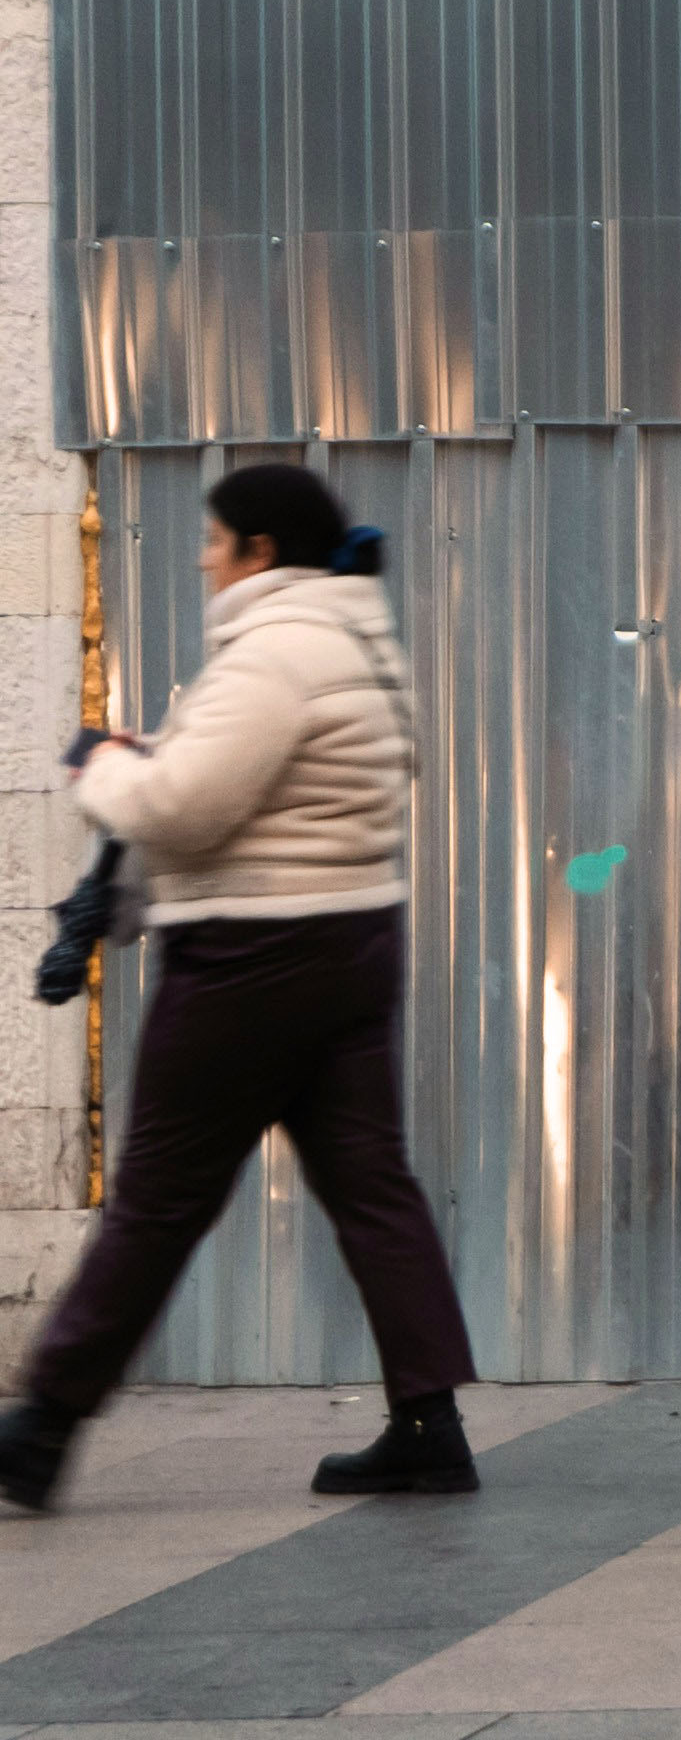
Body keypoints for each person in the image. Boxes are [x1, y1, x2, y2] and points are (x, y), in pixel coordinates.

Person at [0, 464, 482, 1511]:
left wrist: (99, 765)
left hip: (250, 959)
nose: (206, 561)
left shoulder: (276, 652)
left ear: (260, 550)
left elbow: (180, 807)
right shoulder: (356, 639)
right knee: (372, 1185)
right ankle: (428, 1424)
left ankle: (39, 1426)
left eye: (216, 544)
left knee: (160, 1196)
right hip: (354, 941)